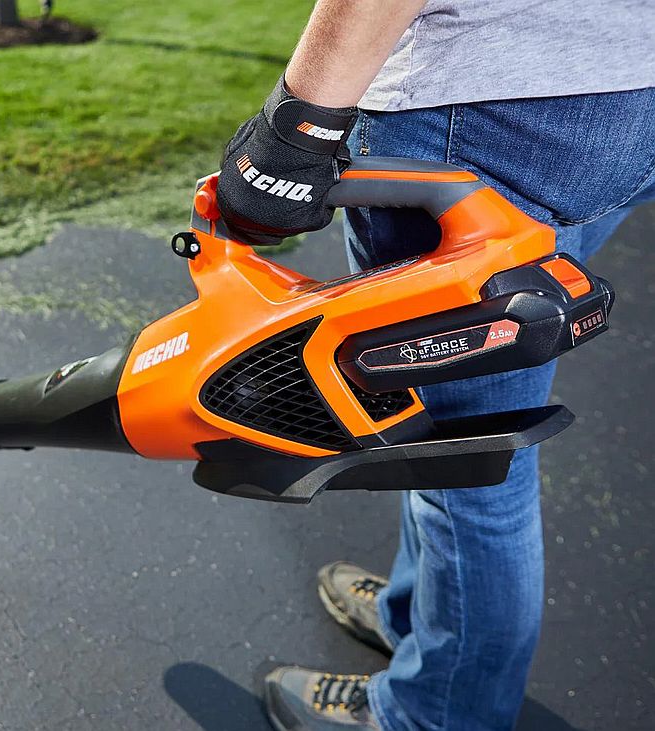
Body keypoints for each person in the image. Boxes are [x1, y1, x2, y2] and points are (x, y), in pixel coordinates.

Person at [216, 1, 655, 729]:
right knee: (434, 424)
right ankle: (419, 616)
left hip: (490, 115)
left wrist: (296, 129)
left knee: (466, 461)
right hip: (630, 97)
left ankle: (437, 712)